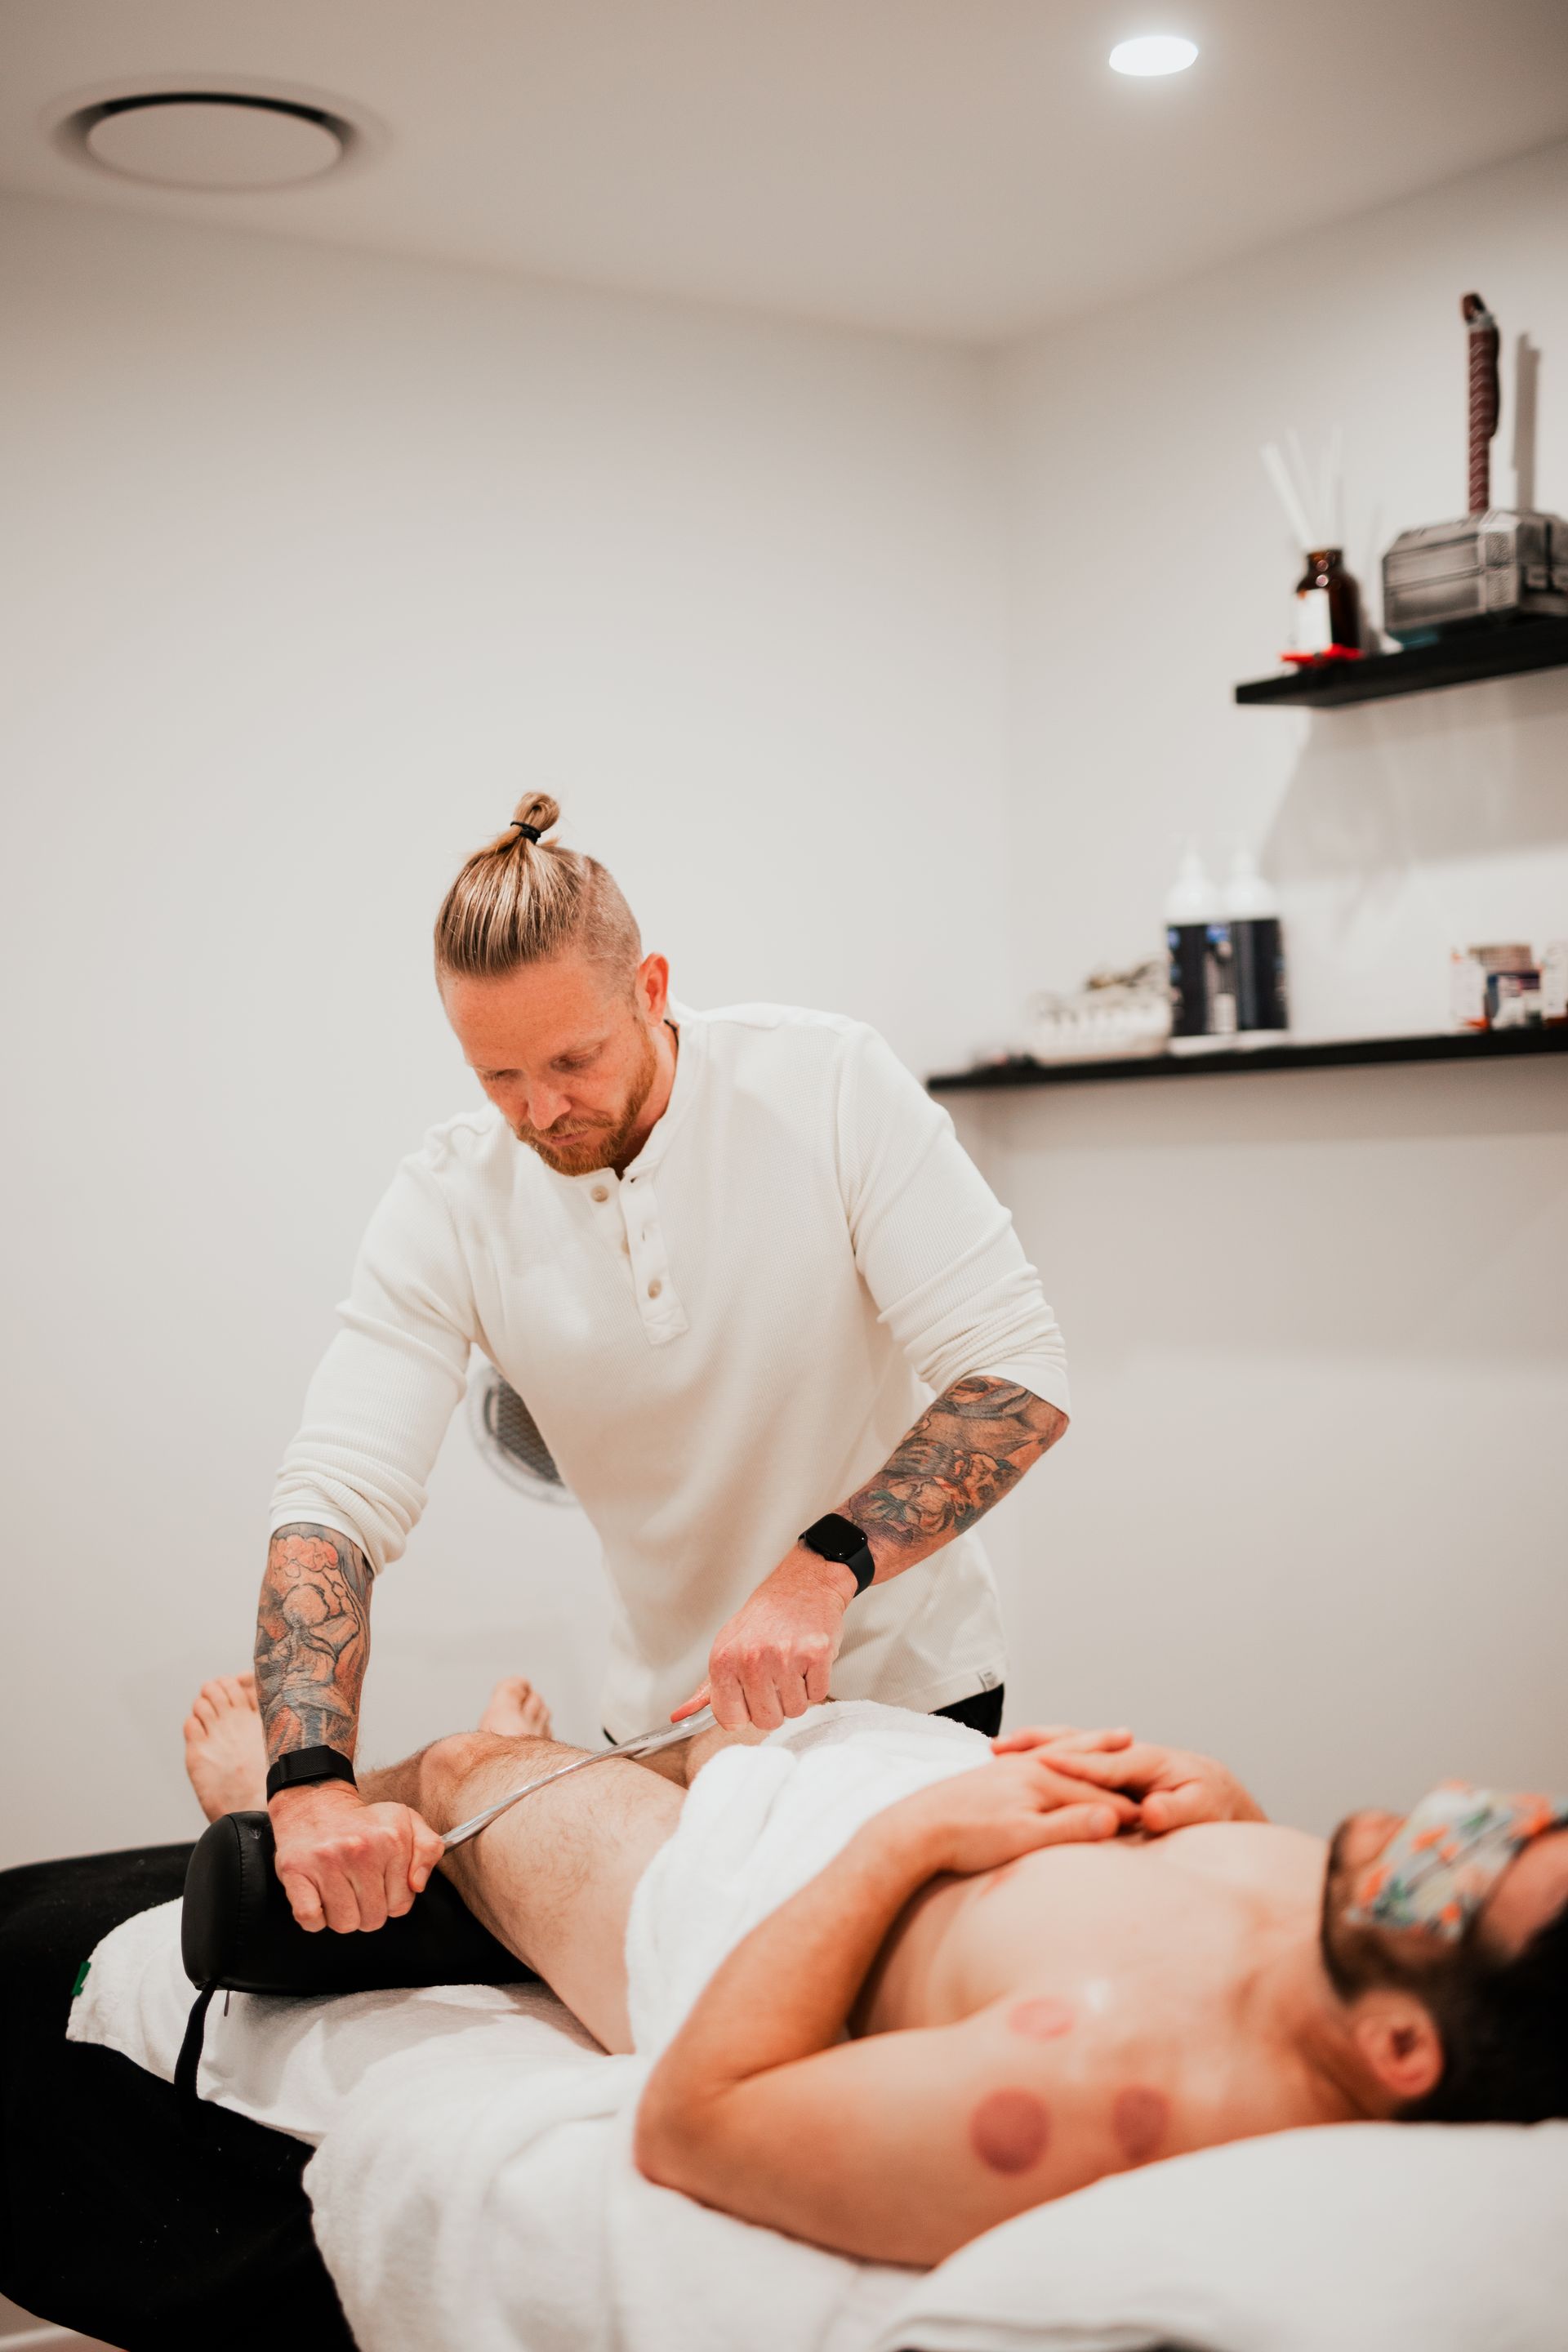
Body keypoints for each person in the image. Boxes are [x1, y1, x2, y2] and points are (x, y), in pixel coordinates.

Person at [257, 794, 1072, 1933]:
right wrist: (304, 1786)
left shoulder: (825, 1085)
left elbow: (1015, 1374)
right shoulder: (448, 1201)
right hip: (658, 1727)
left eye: (573, 1059)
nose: (540, 1110)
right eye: (496, 1077)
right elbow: (332, 1504)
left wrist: (822, 1568)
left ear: (650, 990)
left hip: (901, 1692)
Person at [183, 1675, 1568, 2267]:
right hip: (911, 1807)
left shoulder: (1099, 2086)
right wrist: (1220, 1808)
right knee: (718, 1728)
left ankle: (288, 1803)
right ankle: (518, 1834)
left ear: (1402, 2053)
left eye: (1478, 1865)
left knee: (480, 1774)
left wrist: (907, 1846)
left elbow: (698, 2123)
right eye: (1534, 1815)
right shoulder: (1368, 1943)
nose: (1462, 1804)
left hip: (749, 1909)